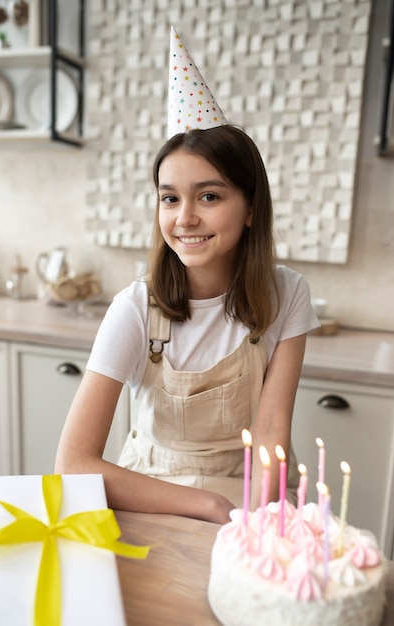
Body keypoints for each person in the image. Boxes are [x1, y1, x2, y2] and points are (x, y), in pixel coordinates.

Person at [55, 28, 319, 524]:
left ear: (250, 209)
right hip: (153, 496)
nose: (185, 218)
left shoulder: (287, 294)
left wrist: (252, 529)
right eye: (170, 197)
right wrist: (209, 505)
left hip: (254, 495)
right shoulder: (135, 309)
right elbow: (72, 465)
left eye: (210, 196)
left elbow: (270, 435)